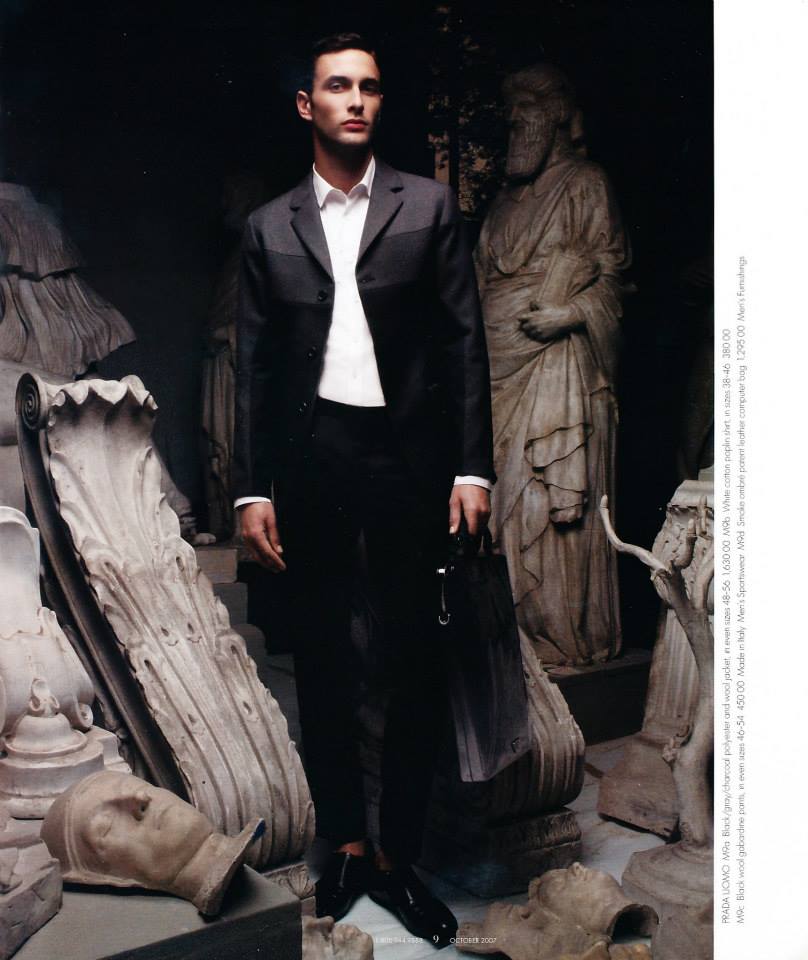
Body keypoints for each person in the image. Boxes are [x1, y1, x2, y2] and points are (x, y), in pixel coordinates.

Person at [233, 33, 494, 947]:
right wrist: (250, 491)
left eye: (370, 87)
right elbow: (255, 370)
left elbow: (465, 341)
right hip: (313, 459)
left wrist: (471, 468)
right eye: (338, 86)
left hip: (407, 458)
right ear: (307, 106)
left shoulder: (429, 205)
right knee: (324, 658)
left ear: (381, 104)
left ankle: (399, 858)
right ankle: (345, 845)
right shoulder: (268, 226)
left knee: (416, 657)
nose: (355, 100)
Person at [476, 64, 629, 666]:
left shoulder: (586, 185)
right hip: (498, 370)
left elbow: (613, 279)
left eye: (528, 104)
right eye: (510, 106)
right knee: (504, 507)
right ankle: (510, 634)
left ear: (560, 114)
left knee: (547, 500)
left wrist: (570, 314)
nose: (514, 118)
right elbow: (477, 283)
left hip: (559, 367)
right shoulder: (502, 204)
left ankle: (561, 634)